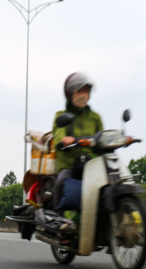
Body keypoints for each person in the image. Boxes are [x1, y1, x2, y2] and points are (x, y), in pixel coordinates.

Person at [52, 72, 103, 216]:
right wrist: (64, 140)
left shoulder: (95, 118)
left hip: (92, 166)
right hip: (70, 166)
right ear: (70, 93)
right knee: (62, 181)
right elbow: (58, 134)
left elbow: (101, 136)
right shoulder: (60, 115)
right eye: (79, 91)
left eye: (86, 91)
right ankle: (58, 220)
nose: (83, 94)